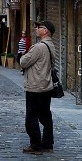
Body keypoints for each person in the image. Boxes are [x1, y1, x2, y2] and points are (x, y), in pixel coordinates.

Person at [19, 20, 57, 155]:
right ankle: (47, 144)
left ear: (45, 30)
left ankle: (36, 145)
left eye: (38, 27)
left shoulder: (39, 47)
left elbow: (24, 62)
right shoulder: (51, 45)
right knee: (46, 117)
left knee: (31, 118)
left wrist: (24, 55)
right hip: (46, 86)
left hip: (35, 86)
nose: (36, 29)